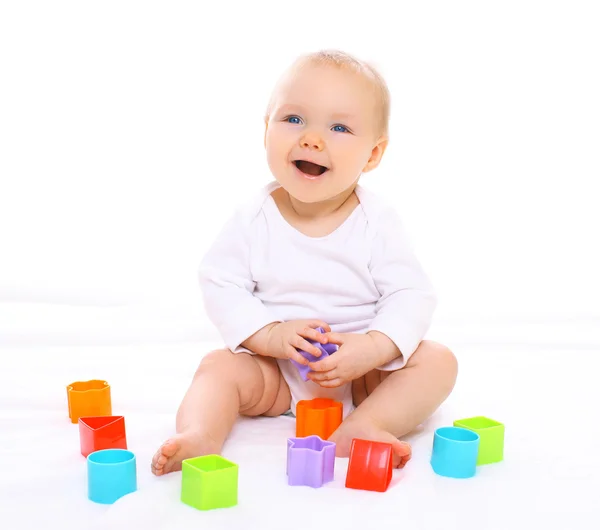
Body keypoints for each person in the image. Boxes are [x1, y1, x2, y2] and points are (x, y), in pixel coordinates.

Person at [151, 49, 458, 476]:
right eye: (293, 119)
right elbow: (220, 283)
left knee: (438, 361)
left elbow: (411, 295)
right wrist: (271, 336)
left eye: (339, 127)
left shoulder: (376, 222)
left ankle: (366, 423)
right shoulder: (253, 218)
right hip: (275, 375)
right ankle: (201, 433)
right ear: (265, 132)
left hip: (362, 378)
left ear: (372, 154)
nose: (312, 139)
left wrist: (372, 349)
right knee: (217, 366)